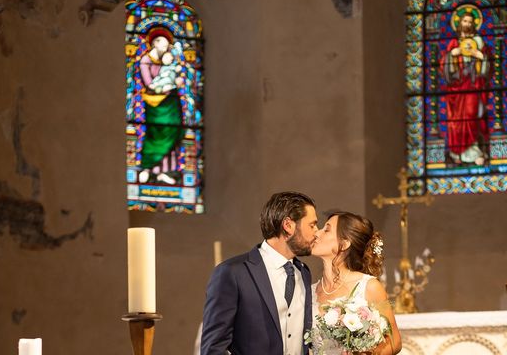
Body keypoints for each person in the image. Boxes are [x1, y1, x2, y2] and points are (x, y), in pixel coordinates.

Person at [201, 192, 319, 355]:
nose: (317, 232)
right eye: (312, 225)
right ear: (288, 225)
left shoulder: (303, 272)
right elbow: (213, 348)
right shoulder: (233, 273)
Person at [311, 212, 401, 355]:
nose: (317, 233)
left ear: (345, 243)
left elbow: (394, 341)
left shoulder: (370, 286)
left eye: (326, 230)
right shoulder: (308, 292)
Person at [440, 11, 489, 166]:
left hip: (472, 85)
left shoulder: (479, 42)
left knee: (471, 115)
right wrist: (452, 55)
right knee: (455, 121)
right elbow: (443, 67)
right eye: (465, 21)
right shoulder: (453, 44)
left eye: (470, 21)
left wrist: (479, 55)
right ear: (459, 23)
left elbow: (487, 66)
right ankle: (456, 153)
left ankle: (474, 150)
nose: (467, 24)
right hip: (456, 89)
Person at [137, 26, 185, 185]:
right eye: (163, 43)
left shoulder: (169, 60)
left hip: (171, 102)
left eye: (167, 44)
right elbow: (149, 83)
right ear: (155, 43)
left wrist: (176, 83)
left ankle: (166, 171)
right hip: (155, 104)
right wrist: (164, 87)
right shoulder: (146, 60)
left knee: (173, 132)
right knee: (154, 135)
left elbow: (176, 75)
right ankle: (149, 168)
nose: (166, 47)